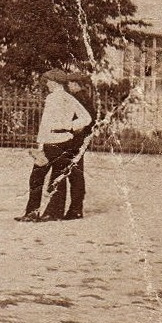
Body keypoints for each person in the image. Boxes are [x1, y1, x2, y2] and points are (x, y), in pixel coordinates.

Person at [18, 69, 92, 222]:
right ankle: (54, 213)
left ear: (55, 82)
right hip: (65, 141)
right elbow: (87, 118)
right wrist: (71, 126)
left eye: (49, 82)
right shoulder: (69, 98)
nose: (47, 85)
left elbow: (45, 125)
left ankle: (33, 212)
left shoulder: (52, 98)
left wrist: (40, 145)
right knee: (58, 177)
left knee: (37, 177)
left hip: (51, 142)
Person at [45, 73, 96, 221]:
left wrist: (72, 129)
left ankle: (64, 210)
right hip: (80, 142)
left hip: (73, 141)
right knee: (75, 175)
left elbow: (83, 120)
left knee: (65, 173)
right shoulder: (87, 97)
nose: (69, 86)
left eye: (71, 84)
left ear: (76, 84)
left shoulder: (77, 98)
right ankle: (75, 209)